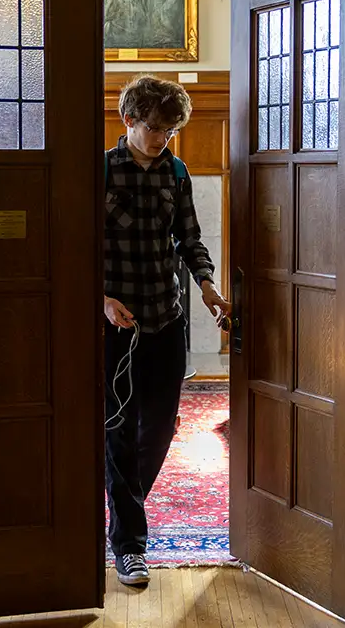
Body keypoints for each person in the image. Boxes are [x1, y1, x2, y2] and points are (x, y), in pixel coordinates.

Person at [102, 75, 230, 587]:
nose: (162, 139)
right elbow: (72, 240)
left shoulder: (176, 172)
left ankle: (122, 514)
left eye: (170, 131)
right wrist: (101, 297)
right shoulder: (102, 170)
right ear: (129, 119)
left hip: (166, 318)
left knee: (158, 428)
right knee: (118, 428)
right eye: (155, 128)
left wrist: (207, 285)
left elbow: (189, 237)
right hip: (117, 323)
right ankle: (130, 546)